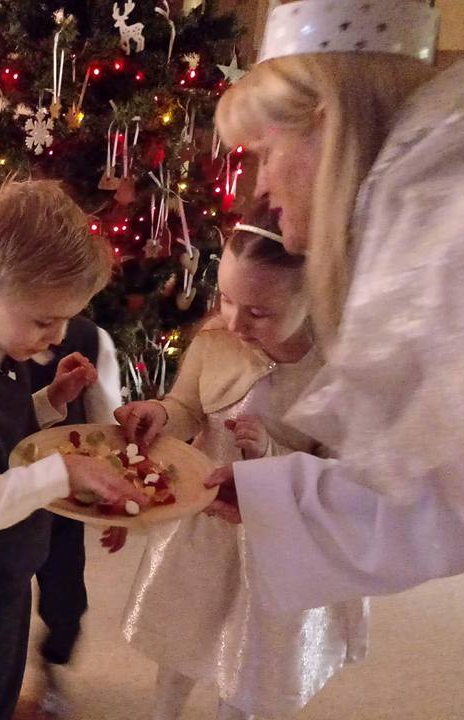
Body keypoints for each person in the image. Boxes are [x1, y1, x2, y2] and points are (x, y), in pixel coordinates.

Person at [194, 2, 464, 718]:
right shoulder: (436, 217)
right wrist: (279, 498)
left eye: (265, 152)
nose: (261, 188)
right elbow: (445, 489)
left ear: (327, 129)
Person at [0, 179, 149, 720]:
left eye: (65, 320)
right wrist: (60, 473)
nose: (58, 337)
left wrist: (49, 402)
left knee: (4, 672)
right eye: (44, 321)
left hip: (5, 566)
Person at [112, 204, 367, 720]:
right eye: (226, 299)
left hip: (277, 539)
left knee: (252, 650)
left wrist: (270, 454)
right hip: (205, 524)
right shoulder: (215, 342)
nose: (234, 321)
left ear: (312, 295)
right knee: (185, 629)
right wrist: (160, 414)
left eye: (258, 311)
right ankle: (165, 711)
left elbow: (338, 477)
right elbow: (187, 407)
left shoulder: (335, 372)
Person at [26, 314, 122, 719]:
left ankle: (52, 661)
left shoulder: (89, 338)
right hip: (0, 496)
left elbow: (106, 422)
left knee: (66, 602)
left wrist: (116, 501)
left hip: (63, 503)